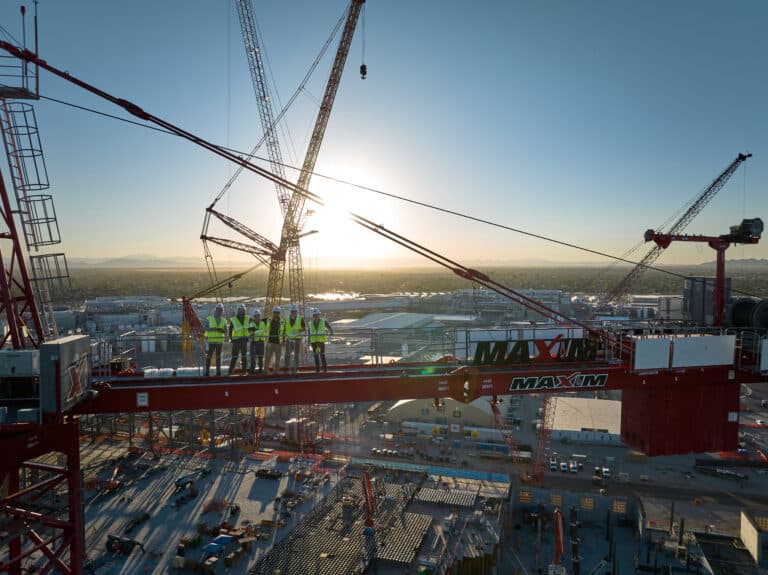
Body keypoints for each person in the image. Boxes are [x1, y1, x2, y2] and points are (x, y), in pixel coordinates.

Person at [308, 307, 334, 373]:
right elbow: (309, 333)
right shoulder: (310, 324)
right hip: (314, 343)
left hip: (321, 342)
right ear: (313, 316)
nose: (316, 316)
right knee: (316, 356)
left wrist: (331, 332)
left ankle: (325, 369)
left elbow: (329, 328)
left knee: (322, 355)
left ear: (319, 315)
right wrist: (308, 342)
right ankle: (318, 370)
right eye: (315, 315)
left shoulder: (323, 321)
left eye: (317, 315)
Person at [204, 302, 227, 376]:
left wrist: (221, 330)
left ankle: (218, 372)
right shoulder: (209, 318)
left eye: (220, 310)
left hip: (219, 342)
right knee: (209, 357)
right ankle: (207, 372)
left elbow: (226, 331)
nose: (219, 311)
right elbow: (205, 328)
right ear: (215, 310)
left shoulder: (224, 320)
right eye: (218, 309)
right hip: (211, 341)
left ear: (222, 311)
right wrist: (213, 329)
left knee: (218, 358)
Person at [283, 303, 305, 376]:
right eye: (292, 311)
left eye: (295, 311)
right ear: (290, 312)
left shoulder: (300, 318)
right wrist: (283, 339)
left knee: (296, 355)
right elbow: (284, 329)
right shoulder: (286, 319)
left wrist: (299, 330)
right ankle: (286, 369)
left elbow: (304, 328)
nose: (293, 313)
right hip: (289, 339)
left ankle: (295, 369)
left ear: (297, 312)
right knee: (287, 354)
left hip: (297, 339)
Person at [228, 303, 250, 375]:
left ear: (244, 310)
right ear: (238, 310)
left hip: (244, 340)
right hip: (236, 341)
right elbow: (230, 329)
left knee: (244, 357)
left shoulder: (247, 318)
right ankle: (230, 371)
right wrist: (231, 338)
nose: (241, 311)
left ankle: (244, 371)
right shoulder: (233, 319)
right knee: (234, 356)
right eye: (240, 310)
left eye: (242, 310)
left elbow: (253, 324)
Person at [264, 306, 285, 373]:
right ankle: (266, 371)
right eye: (275, 312)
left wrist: (283, 341)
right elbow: (258, 320)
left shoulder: (282, 321)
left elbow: (284, 331)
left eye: (277, 313)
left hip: (278, 342)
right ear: (273, 313)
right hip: (270, 341)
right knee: (268, 358)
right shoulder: (268, 319)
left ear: (279, 313)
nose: (276, 314)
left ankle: (276, 371)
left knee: (277, 359)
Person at [248, 308, 266, 374]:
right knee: (253, 358)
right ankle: (252, 370)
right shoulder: (251, 324)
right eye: (255, 316)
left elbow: (263, 332)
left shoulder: (262, 323)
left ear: (260, 316)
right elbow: (250, 334)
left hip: (261, 342)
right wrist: (257, 332)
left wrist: (255, 332)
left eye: (258, 316)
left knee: (261, 357)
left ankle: (260, 370)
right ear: (254, 317)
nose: (257, 317)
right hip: (254, 343)